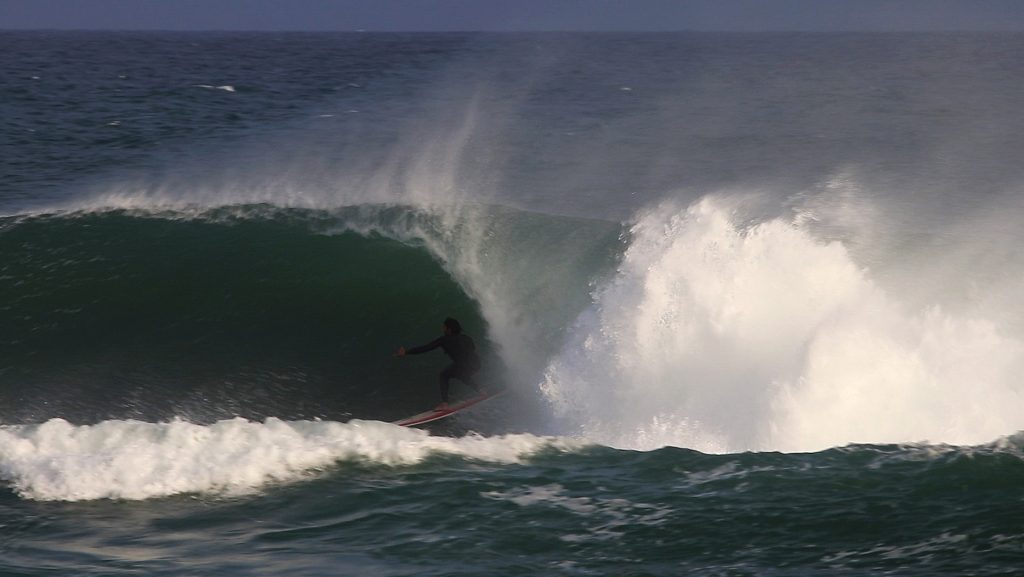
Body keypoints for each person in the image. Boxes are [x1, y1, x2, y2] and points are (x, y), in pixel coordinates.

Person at [396, 317, 482, 410]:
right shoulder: (467, 338)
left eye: (444, 327)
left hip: (463, 365)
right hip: (476, 364)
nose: (443, 329)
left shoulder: (444, 340)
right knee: (461, 375)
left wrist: (407, 352)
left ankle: (444, 404)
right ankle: (481, 391)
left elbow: (426, 348)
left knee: (444, 375)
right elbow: (472, 350)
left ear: (449, 329)